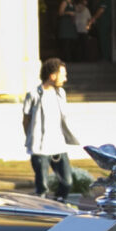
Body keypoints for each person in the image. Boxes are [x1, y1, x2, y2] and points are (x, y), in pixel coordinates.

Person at [21, 58, 79, 200]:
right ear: (52, 76)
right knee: (42, 187)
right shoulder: (33, 94)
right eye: (63, 75)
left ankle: (59, 204)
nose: (65, 79)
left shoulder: (61, 93)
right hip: (40, 149)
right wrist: (31, 138)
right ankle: (43, 215)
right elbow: (26, 120)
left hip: (58, 146)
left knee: (67, 182)